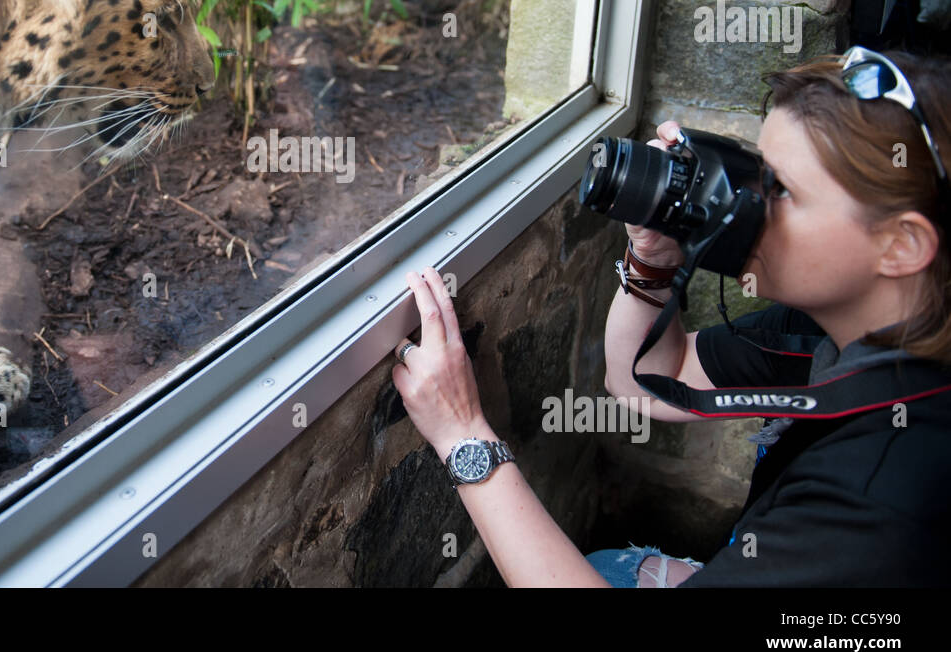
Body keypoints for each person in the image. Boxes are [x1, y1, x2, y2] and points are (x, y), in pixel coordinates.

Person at [391, 49, 951, 586]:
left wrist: (463, 433)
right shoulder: (836, 335)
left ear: (900, 246)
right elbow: (653, 383)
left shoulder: (875, 499)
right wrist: (653, 263)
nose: (745, 204)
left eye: (779, 190)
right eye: (756, 171)